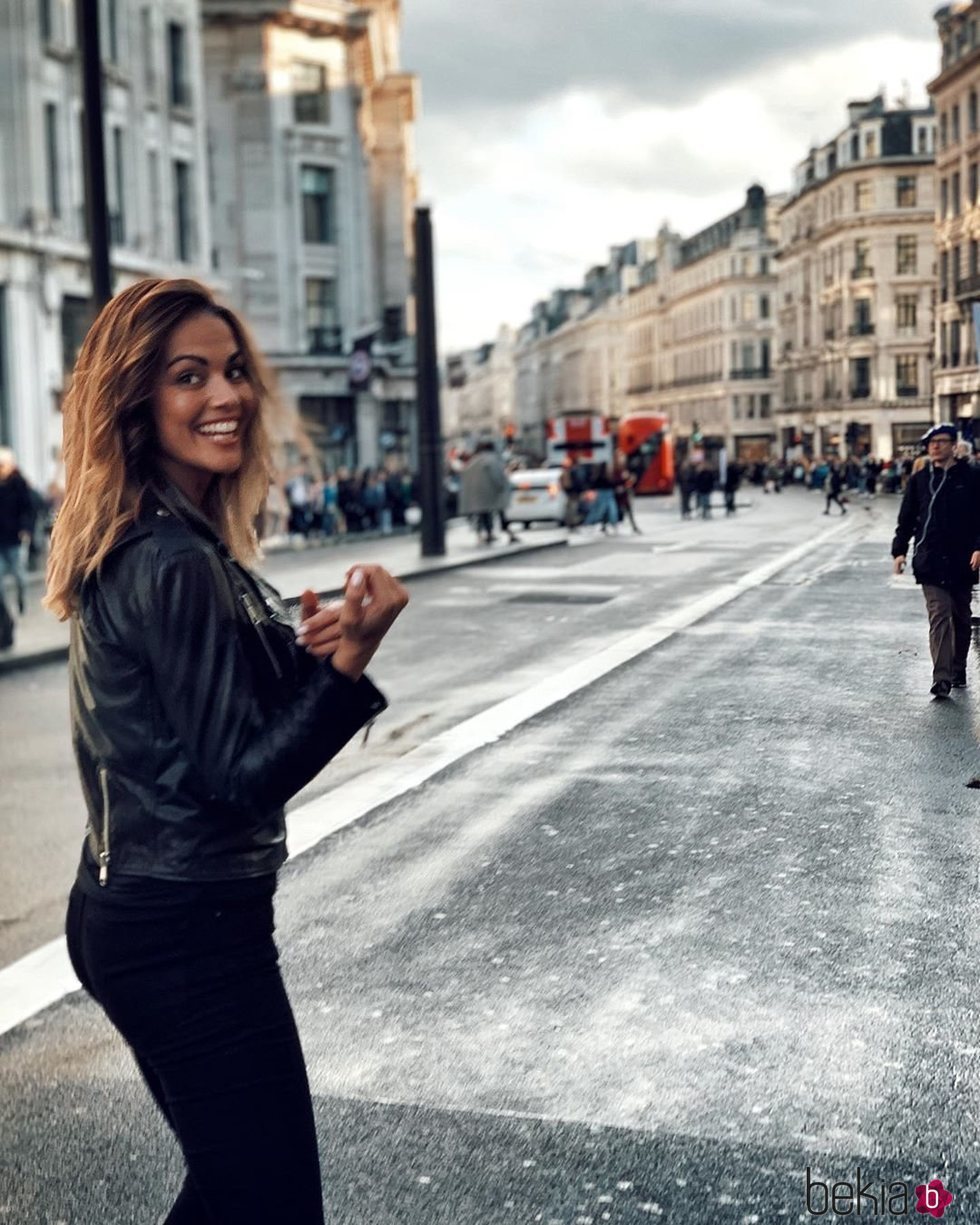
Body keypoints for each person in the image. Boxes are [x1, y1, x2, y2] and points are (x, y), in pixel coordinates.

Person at [45, 277, 409, 1223]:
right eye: (188, 376)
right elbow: (237, 777)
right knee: (266, 1200)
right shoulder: (172, 559)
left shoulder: (158, 535)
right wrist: (347, 667)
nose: (227, 395)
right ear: (135, 400)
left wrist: (301, 655)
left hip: (145, 907)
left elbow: (189, 730)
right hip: (185, 929)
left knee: (242, 1189)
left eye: (235, 370)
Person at [891, 422, 980, 698]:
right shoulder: (919, 480)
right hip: (930, 558)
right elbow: (906, 518)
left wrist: (978, 546)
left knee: (961, 616)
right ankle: (941, 677)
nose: (935, 446)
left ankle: (958, 668)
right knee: (939, 614)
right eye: (931, 443)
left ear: (954, 445)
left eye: (941, 441)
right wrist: (899, 551)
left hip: (963, 558)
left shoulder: (971, 476)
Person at [0, 447, 35, 642]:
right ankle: (5, 614)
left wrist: (26, 528)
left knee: (20, 577)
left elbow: (28, 508)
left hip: (14, 540)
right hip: (0, 541)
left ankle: (21, 601)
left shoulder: (18, 484)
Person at [459, 439, 516, 543]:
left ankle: (485, 534)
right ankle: (507, 532)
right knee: (501, 512)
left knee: (483, 513)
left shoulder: (473, 461)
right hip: (492, 492)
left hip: (478, 494)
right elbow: (497, 476)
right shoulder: (492, 459)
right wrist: (501, 486)